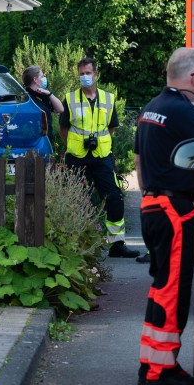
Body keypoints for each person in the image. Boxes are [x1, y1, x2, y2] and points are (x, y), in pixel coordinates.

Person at [134, 47, 194, 385]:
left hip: (152, 206)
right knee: (172, 291)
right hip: (174, 211)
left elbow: (141, 166)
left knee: (161, 287)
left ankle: (151, 363)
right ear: (193, 77)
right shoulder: (182, 110)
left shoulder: (151, 109)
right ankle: (161, 370)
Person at [60, 57, 143, 260]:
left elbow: (111, 127)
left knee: (114, 197)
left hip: (102, 156)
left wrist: (100, 141)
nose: (85, 77)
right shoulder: (69, 99)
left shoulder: (108, 98)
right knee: (75, 199)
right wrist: (74, 144)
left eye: (88, 73)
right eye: (81, 73)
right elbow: (63, 128)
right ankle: (76, 244)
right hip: (77, 157)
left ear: (96, 75)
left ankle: (116, 244)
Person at [22, 65, 63, 147]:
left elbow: (60, 109)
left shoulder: (42, 95)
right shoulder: (25, 97)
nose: (44, 78)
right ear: (35, 79)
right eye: (42, 76)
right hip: (34, 144)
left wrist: (49, 93)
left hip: (46, 142)